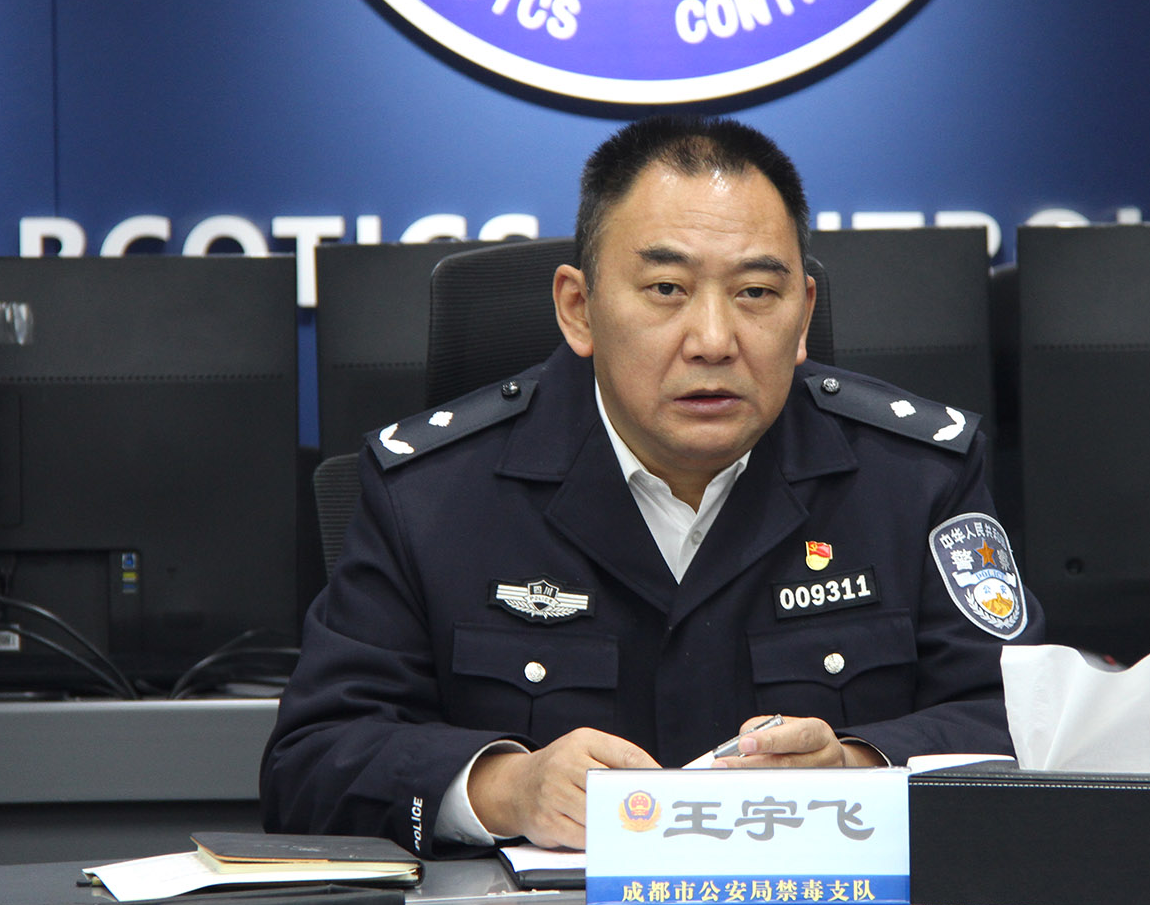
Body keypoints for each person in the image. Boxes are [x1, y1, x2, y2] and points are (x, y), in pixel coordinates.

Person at [261, 115, 1043, 854]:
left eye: (756, 293)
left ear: (803, 314)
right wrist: (507, 787)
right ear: (579, 309)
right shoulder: (431, 496)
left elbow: (1027, 724)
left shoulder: (917, 480)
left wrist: (857, 770)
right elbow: (311, 762)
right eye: (667, 289)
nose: (713, 340)